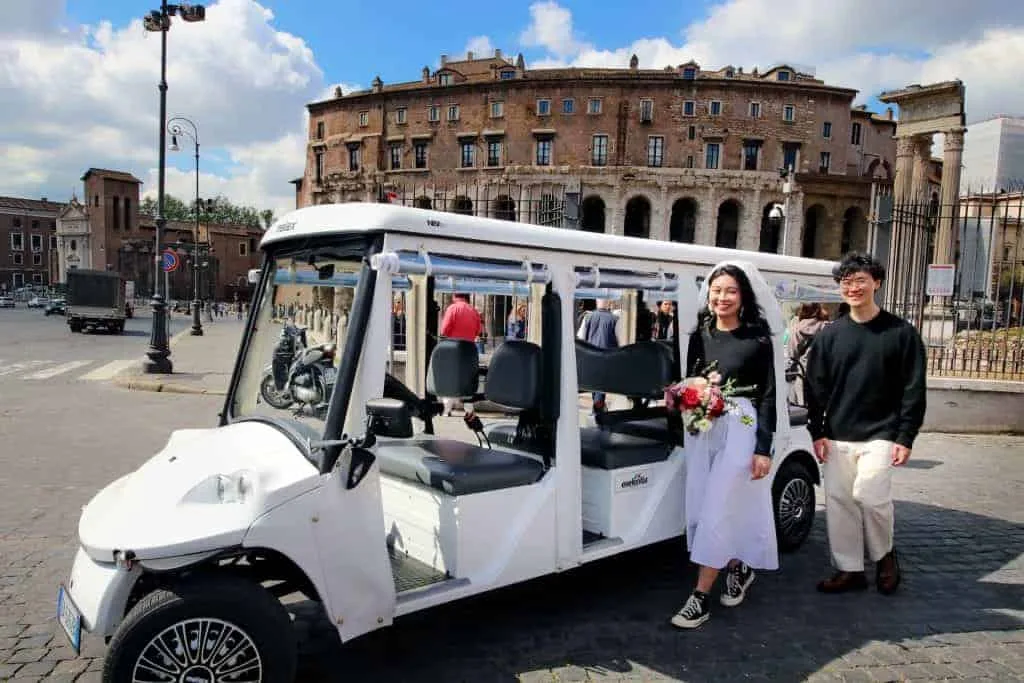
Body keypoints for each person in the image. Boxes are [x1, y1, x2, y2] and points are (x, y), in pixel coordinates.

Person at [805, 252, 927, 596]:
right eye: (846, 281)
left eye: (860, 280)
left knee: (870, 497)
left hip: (882, 433)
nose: (853, 287)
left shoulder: (901, 333)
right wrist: (818, 431)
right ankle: (849, 570)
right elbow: (815, 387)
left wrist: (906, 436)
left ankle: (884, 555)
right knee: (840, 503)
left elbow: (913, 388)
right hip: (838, 434)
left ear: (877, 282)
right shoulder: (830, 336)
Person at [671, 263, 778, 629]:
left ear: (743, 295)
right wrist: (693, 400)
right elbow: (689, 382)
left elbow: (768, 396)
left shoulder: (758, 339)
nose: (722, 297)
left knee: (717, 506)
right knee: (708, 502)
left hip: (742, 425)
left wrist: (764, 448)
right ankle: (738, 566)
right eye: (716, 290)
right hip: (703, 426)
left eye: (730, 290)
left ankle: (700, 596)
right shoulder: (699, 334)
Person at [439, 293, 483, 415]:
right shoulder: (473, 310)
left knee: (450, 379)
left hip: (453, 349)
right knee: (467, 380)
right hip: (469, 350)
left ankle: (447, 408)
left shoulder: (452, 308)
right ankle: (469, 408)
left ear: (454, 296)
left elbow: (444, 330)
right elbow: (478, 331)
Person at [578, 299, 620, 414]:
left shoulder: (587, 317)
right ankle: (598, 408)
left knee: (594, 384)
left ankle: (597, 406)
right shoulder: (615, 319)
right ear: (608, 304)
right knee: (601, 385)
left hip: (590, 355)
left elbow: (581, 337)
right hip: (607, 357)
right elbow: (619, 339)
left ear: (597, 303)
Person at [785, 303, 830, 405]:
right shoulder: (827, 327)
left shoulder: (796, 329)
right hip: (824, 372)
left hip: (803, 372)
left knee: (803, 407)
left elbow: (792, 353)